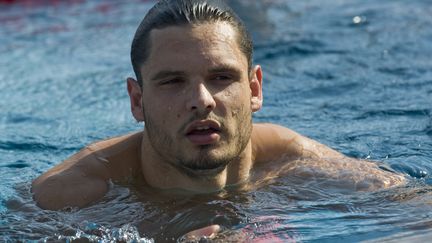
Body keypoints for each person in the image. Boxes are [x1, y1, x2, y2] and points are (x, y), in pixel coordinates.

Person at [32, 0, 405, 223]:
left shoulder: (292, 162)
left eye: (221, 77)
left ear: (255, 89)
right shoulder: (72, 195)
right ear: (137, 101)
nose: (202, 100)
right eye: (172, 81)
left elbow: (416, 215)